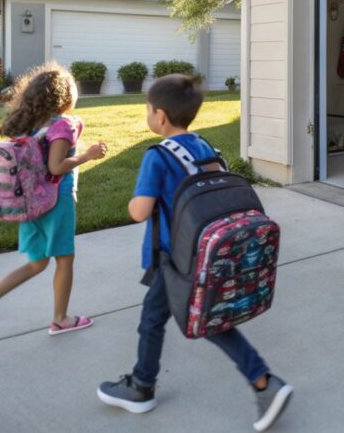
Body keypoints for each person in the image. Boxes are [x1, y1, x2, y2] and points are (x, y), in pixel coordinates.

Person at [97, 74, 293, 432]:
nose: (147, 115)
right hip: (203, 258)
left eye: (147, 110)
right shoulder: (205, 146)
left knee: (172, 322)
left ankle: (259, 380)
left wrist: (133, 202)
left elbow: (139, 211)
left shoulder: (157, 157)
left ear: (159, 115)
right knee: (196, 320)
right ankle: (147, 383)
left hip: (174, 260)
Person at [0, 62, 107, 341]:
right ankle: (60, 319)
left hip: (30, 203)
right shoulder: (63, 124)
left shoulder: (29, 125)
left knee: (37, 264)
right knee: (64, 260)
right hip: (55, 201)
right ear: (65, 97)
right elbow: (56, 167)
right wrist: (88, 155)